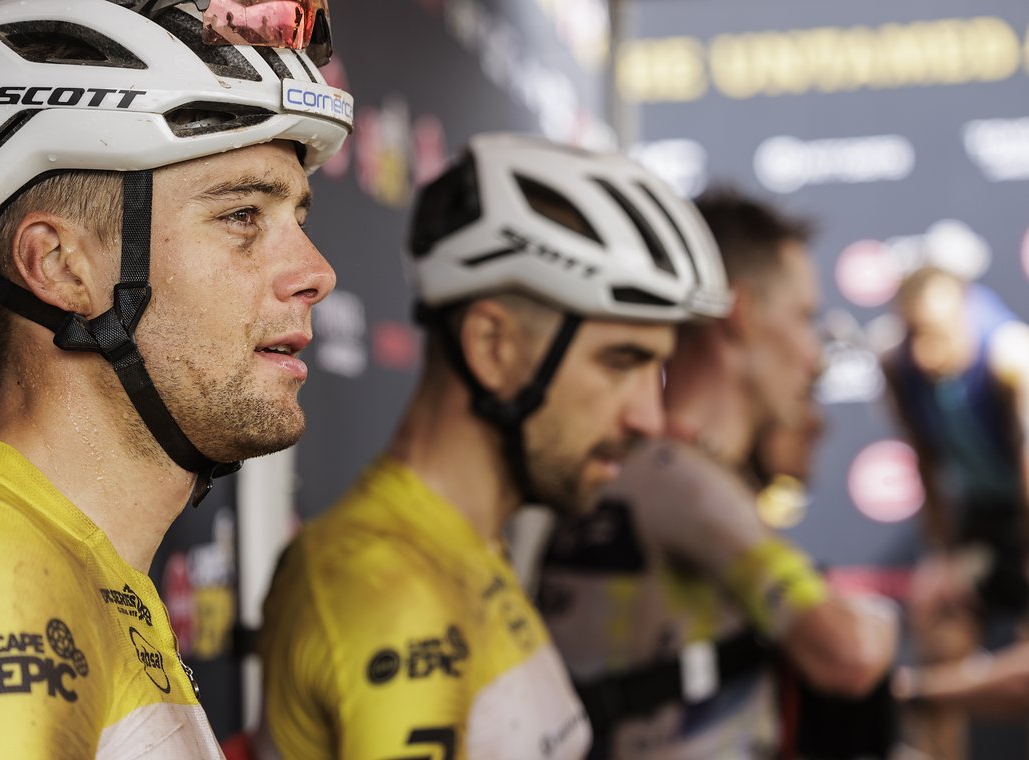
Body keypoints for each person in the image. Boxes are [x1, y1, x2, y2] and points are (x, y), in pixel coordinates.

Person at [0, 0, 350, 756]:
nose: (316, 272)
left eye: (298, 216)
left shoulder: (80, 570)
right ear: (61, 268)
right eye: (241, 215)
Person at [256, 133, 733, 759]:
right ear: (492, 347)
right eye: (621, 362)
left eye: (658, 371)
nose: (649, 417)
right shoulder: (389, 585)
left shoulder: (458, 544)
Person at [538, 189, 899, 759]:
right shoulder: (677, 476)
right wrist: (883, 616)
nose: (815, 355)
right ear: (743, 313)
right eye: (804, 319)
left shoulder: (661, 466)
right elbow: (848, 654)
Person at [880, 267, 1029, 758]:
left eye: (938, 336)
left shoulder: (1012, 358)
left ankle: (913, 694)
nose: (927, 353)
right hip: (983, 515)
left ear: (964, 315)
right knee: (940, 625)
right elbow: (926, 460)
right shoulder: (896, 363)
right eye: (915, 335)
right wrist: (942, 555)